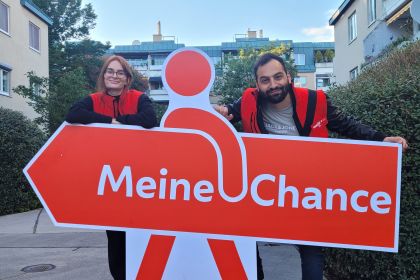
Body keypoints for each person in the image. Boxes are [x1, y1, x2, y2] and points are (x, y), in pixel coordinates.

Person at [214, 53, 408, 280]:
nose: (273, 85)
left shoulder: (315, 101)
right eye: (265, 80)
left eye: (278, 77)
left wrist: (381, 139)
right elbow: (223, 118)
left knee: (312, 251)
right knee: (245, 238)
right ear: (257, 84)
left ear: (288, 76)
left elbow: (346, 125)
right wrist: (219, 113)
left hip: (305, 191)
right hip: (263, 190)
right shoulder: (248, 101)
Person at [66, 55, 157, 280]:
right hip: (110, 182)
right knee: (115, 238)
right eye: (110, 71)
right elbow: (73, 114)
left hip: (139, 181)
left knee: (139, 235)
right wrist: (109, 122)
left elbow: (149, 119)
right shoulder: (94, 100)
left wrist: (120, 120)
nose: (114, 76)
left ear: (127, 79)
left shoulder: (139, 98)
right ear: (103, 75)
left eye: (119, 73)